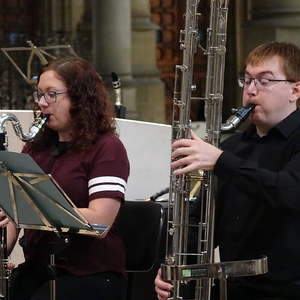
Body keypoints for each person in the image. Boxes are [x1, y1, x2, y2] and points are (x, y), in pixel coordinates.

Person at [155, 41, 300, 300]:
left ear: (295, 90)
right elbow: (203, 219)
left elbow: (289, 192)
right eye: (247, 80)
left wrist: (221, 161)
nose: (251, 90)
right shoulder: (233, 146)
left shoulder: (228, 155)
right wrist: (173, 265)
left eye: (264, 81)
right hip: (231, 289)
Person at [0, 56, 130, 300]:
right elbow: (15, 219)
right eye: (39, 94)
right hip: (40, 271)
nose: (42, 103)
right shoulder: (35, 149)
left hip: (91, 275)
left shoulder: (107, 148)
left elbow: (101, 221)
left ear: (80, 98)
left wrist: (34, 209)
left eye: (52, 94)